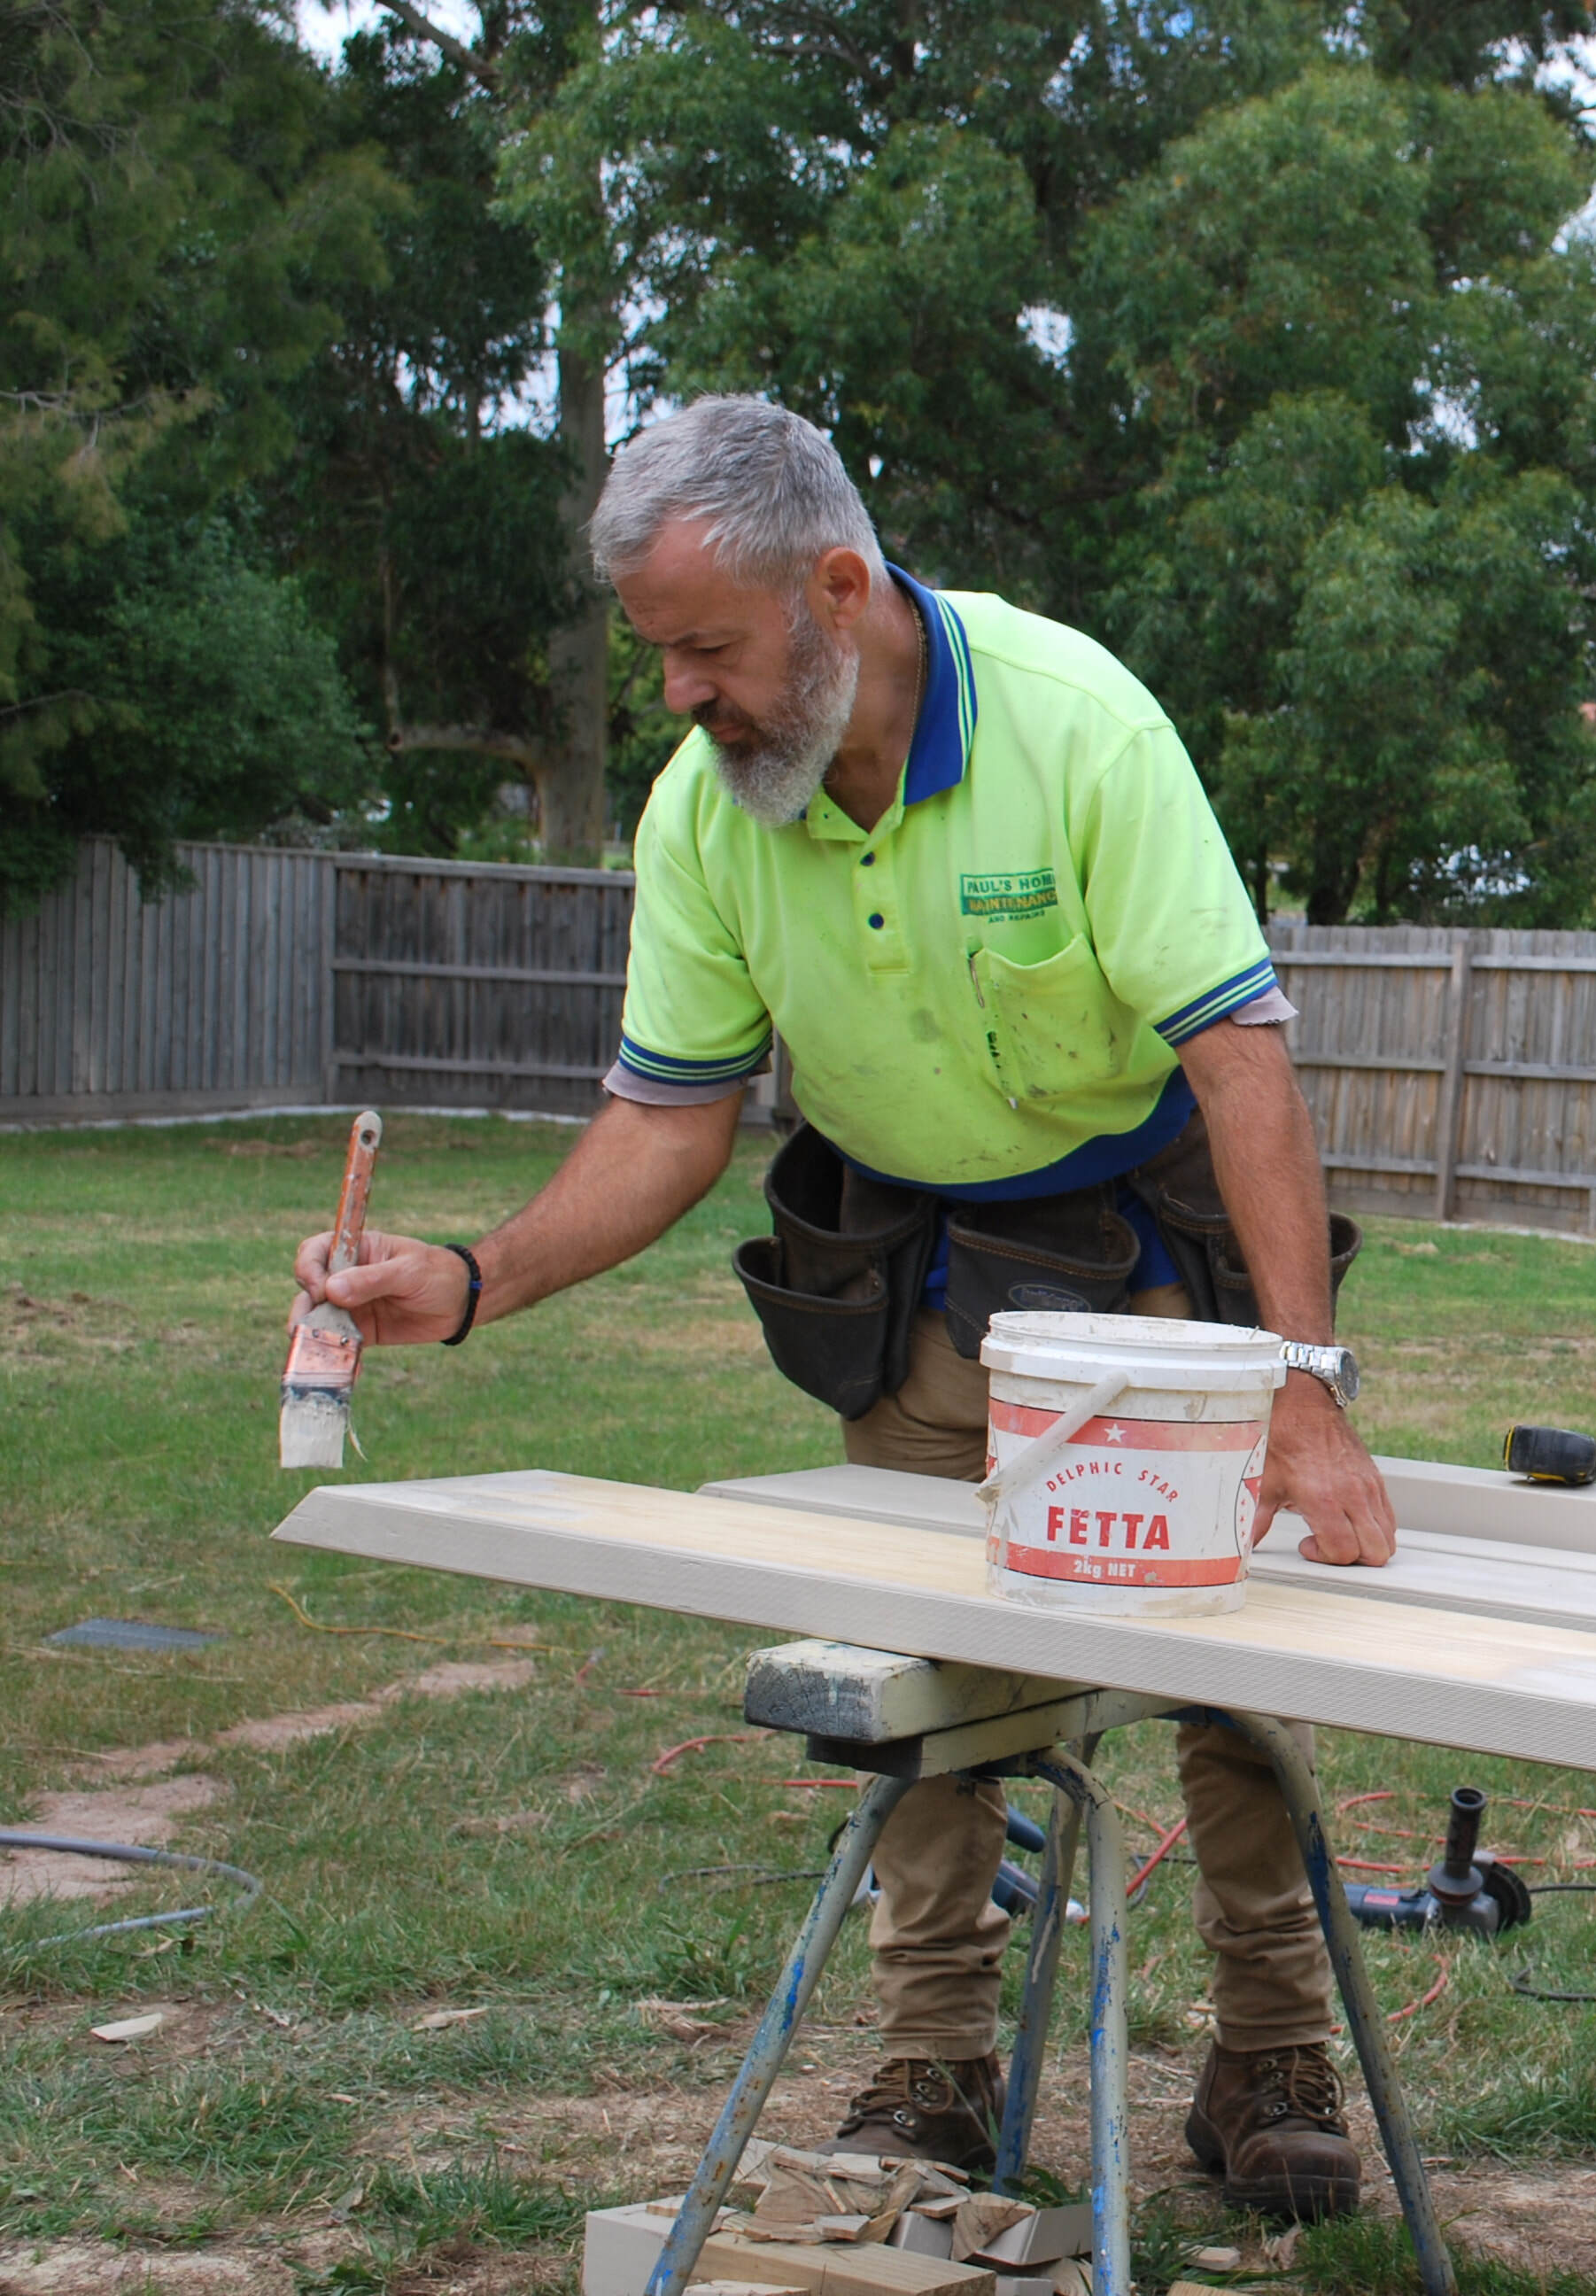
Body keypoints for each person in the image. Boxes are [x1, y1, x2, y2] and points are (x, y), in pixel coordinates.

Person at [291, 396, 1389, 2220]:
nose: (679, 696)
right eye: (657, 655)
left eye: (705, 649)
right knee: (924, 1661)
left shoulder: (1078, 728)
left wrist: (1297, 1384)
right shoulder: (708, 816)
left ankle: (1269, 2054)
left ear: (837, 587)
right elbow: (664, 1119)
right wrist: (474, 1284)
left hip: (1152, 1263)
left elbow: (1240, 1064)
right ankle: (939, 2072)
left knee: (1236, 1671)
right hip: (926, 1267)